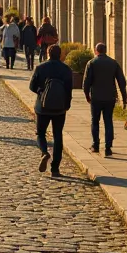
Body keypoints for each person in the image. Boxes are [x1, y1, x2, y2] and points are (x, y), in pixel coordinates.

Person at [28, 44, 74, 176]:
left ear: (48, 53)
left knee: (41, 133)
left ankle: (44, 152)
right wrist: (67, 104)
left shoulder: (40, 67)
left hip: (42, 107)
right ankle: (55, 168)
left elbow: (32, 86)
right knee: (58, 136)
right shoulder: (66, 69)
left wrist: (41, 92)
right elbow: (69, 89)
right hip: (60, 108)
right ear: (60, 55)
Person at [82, 42, 127, 156]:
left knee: (95, 121)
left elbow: (86, 82)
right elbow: (122, 82)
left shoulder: (91, 63)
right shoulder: (113, 63)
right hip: (110, 97)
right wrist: (124, 97)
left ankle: (95, 145)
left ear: (96, 51)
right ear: (105, 51)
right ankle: (108, 147)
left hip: (96, 97)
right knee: (108, 121)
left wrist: (87, 95)